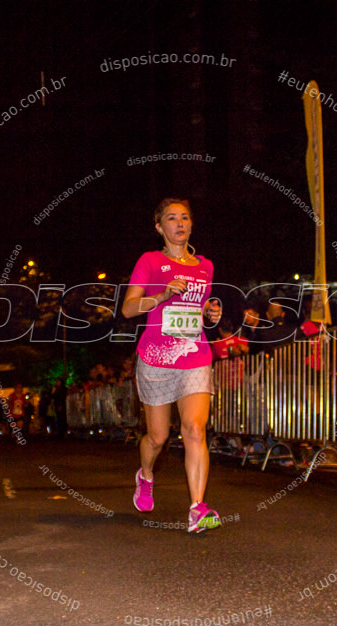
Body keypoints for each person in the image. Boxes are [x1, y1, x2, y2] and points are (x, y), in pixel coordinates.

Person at [121, 198, 223, 533]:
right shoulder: (149, 261)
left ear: (191, 224)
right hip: (156, 357)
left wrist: (210, 312)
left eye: (185, 218)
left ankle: (197, 508)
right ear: (159, 227)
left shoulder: (204, 266)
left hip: (194, 353)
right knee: (157, 437)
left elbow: (197, 306)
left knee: (194, 428)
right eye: (171, 218)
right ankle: (146, 475)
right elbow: (129, 309)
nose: (179, 224)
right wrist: (163, 296)